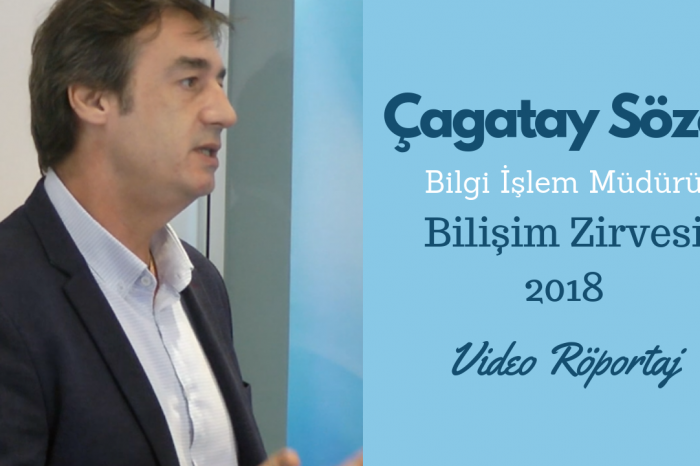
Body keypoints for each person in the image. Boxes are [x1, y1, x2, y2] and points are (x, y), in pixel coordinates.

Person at [0, 1, 362, 465]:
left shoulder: (201, 281)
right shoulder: (12, 294)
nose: (225, 112)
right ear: (92, 98)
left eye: (219, 83)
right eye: (190, 82)